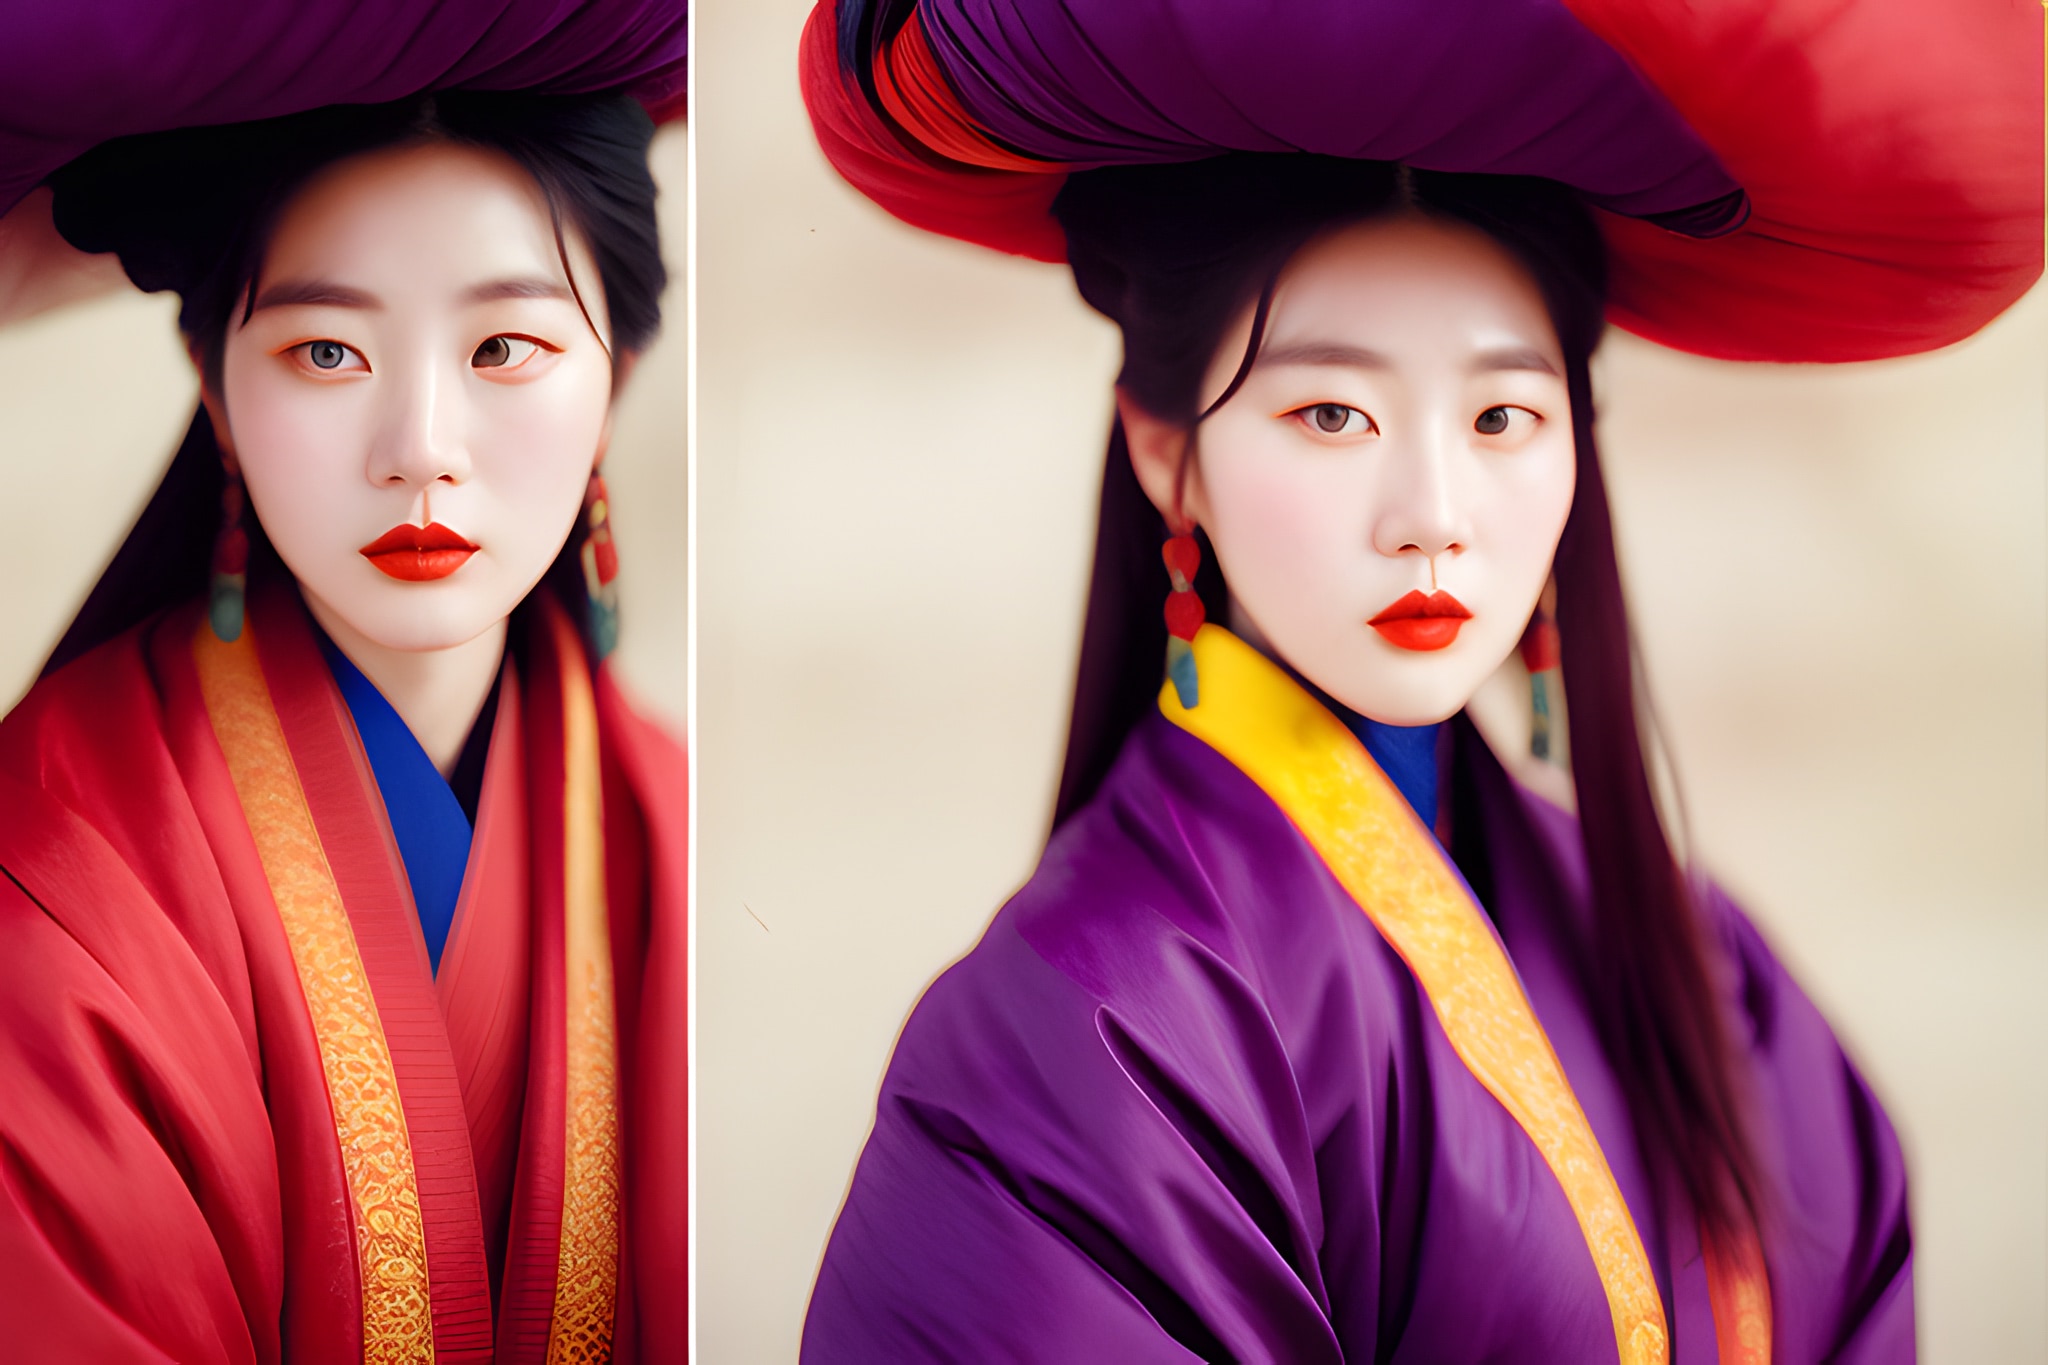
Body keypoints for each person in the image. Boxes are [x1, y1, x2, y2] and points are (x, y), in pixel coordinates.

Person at [793, 1, 2039, 1361]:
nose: (1432, 513)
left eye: (1505, 416)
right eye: (1333, 413)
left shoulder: (1701, 960)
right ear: (1165, 450)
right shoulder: (1083, 1024)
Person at [0, 89, 684, 1362]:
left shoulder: (681, 825)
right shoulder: (47, 874)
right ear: (213, 393)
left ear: (618, 377)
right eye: (325, 352)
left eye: (502, 350)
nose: (418, 451)